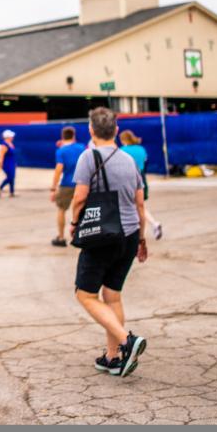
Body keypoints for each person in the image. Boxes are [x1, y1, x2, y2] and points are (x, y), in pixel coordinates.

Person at [71, 107, 149, 378]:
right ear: (115, 130)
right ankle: (113, 357)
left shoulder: (88, 157)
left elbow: (80, 197)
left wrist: (73, 224)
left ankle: (127, 341)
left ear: (91, 131)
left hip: (102, 236)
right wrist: (141, 238)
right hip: (128, 235)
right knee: (112, 294)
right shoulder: (129, 160)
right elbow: (140, 203)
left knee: (85, 294)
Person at [119, 130, 162, 240]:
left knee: (134, 207)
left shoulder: (122, 150)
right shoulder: (141, 149)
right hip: (142, 178)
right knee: (140, 205)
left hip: (128, 179)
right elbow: (144, 162)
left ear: (124, 140)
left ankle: (148, 228)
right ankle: (151, 226)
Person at [51, 126, 84, 247]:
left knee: (61, 210)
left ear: (62, 136)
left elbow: (58, 169)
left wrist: (53, 188)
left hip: (66, 184)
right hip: (81, 183)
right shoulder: (81, 147)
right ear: (74, 136)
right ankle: (81, 235)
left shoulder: (61, 151)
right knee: (81, 210)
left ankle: (61, 237)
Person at [0, 129, 18, 197]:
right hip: (7, 164)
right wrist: (0, 165)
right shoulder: (4, 145)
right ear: (7, 137)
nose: (13, 137)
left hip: (12, 163)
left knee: (12, 177)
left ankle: (12, 192)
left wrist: (15, 163)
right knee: (10, 177)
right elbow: (2, 156)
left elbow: (13, 155)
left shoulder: (11, 144)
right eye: (11, 136)